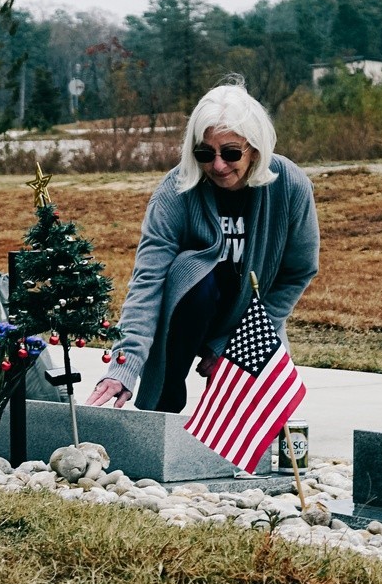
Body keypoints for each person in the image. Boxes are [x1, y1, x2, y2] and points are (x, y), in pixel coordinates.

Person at [89, 79, 319, 414]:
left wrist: (234, 345)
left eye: (231, 153)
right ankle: (168, 397)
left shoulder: (291, 185)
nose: (218, 165)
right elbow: (147, 281)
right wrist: (123, 366)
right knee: (194, 268)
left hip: (252, 322)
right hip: (184, 315)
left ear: (256, 149)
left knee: (251, 428)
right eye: (205, 154)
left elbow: (298, 272)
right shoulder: (175, 192)